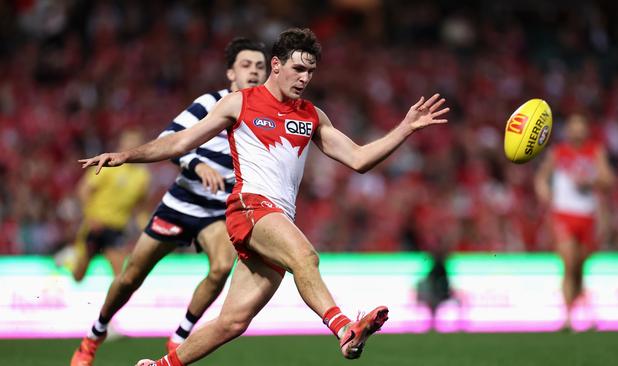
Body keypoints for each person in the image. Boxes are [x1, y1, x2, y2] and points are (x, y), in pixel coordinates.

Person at [79, 28, 450, 365]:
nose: (304, 79)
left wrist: (404, 128)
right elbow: (178, 142)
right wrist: (126, 156)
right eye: (298, 69)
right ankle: (344, 329)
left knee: (232, 322)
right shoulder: (239, 103)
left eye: (310, 72)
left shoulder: (312, 115)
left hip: (276, 221)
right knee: (305, 256)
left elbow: (358, 159)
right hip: (249, 207)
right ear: (276, 65)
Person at [70, 38, 267, 366]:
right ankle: (95, 334)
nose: (254, 72)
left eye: (260, 67)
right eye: (246, 65)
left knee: (221, 267)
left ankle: (179, 337)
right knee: (131, 276)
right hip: (181, 202)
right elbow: (167, 140)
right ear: (231, 73)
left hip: (218, 211)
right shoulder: (210, 103)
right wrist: (197, 164)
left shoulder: (264, 118)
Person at [534, 113, 614, 330]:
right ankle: (568, 316)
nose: (577, 130)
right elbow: (541, 177)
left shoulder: (595, 151)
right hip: (564, 214)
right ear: (568, 130)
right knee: (568, 263)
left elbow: (608, 180)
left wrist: (590, 180)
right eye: (573, 126)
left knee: (579, 266)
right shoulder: (558, 152)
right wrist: (544, 193)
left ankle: (580, 310)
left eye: (581, 126)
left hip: (587, 215)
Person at [62, 129, 151, 283]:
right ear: (121, 144)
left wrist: (144, 224)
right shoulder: (109, 165)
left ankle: (115, 306)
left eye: (135, 142)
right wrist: (90, 216)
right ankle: (67, 259)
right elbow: (83, 190)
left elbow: (140, 206)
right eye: (128, 142)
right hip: (95, 225)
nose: (131, 145)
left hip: (116, 228)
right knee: (78, 276)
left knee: (121, 275)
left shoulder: (143, 176)